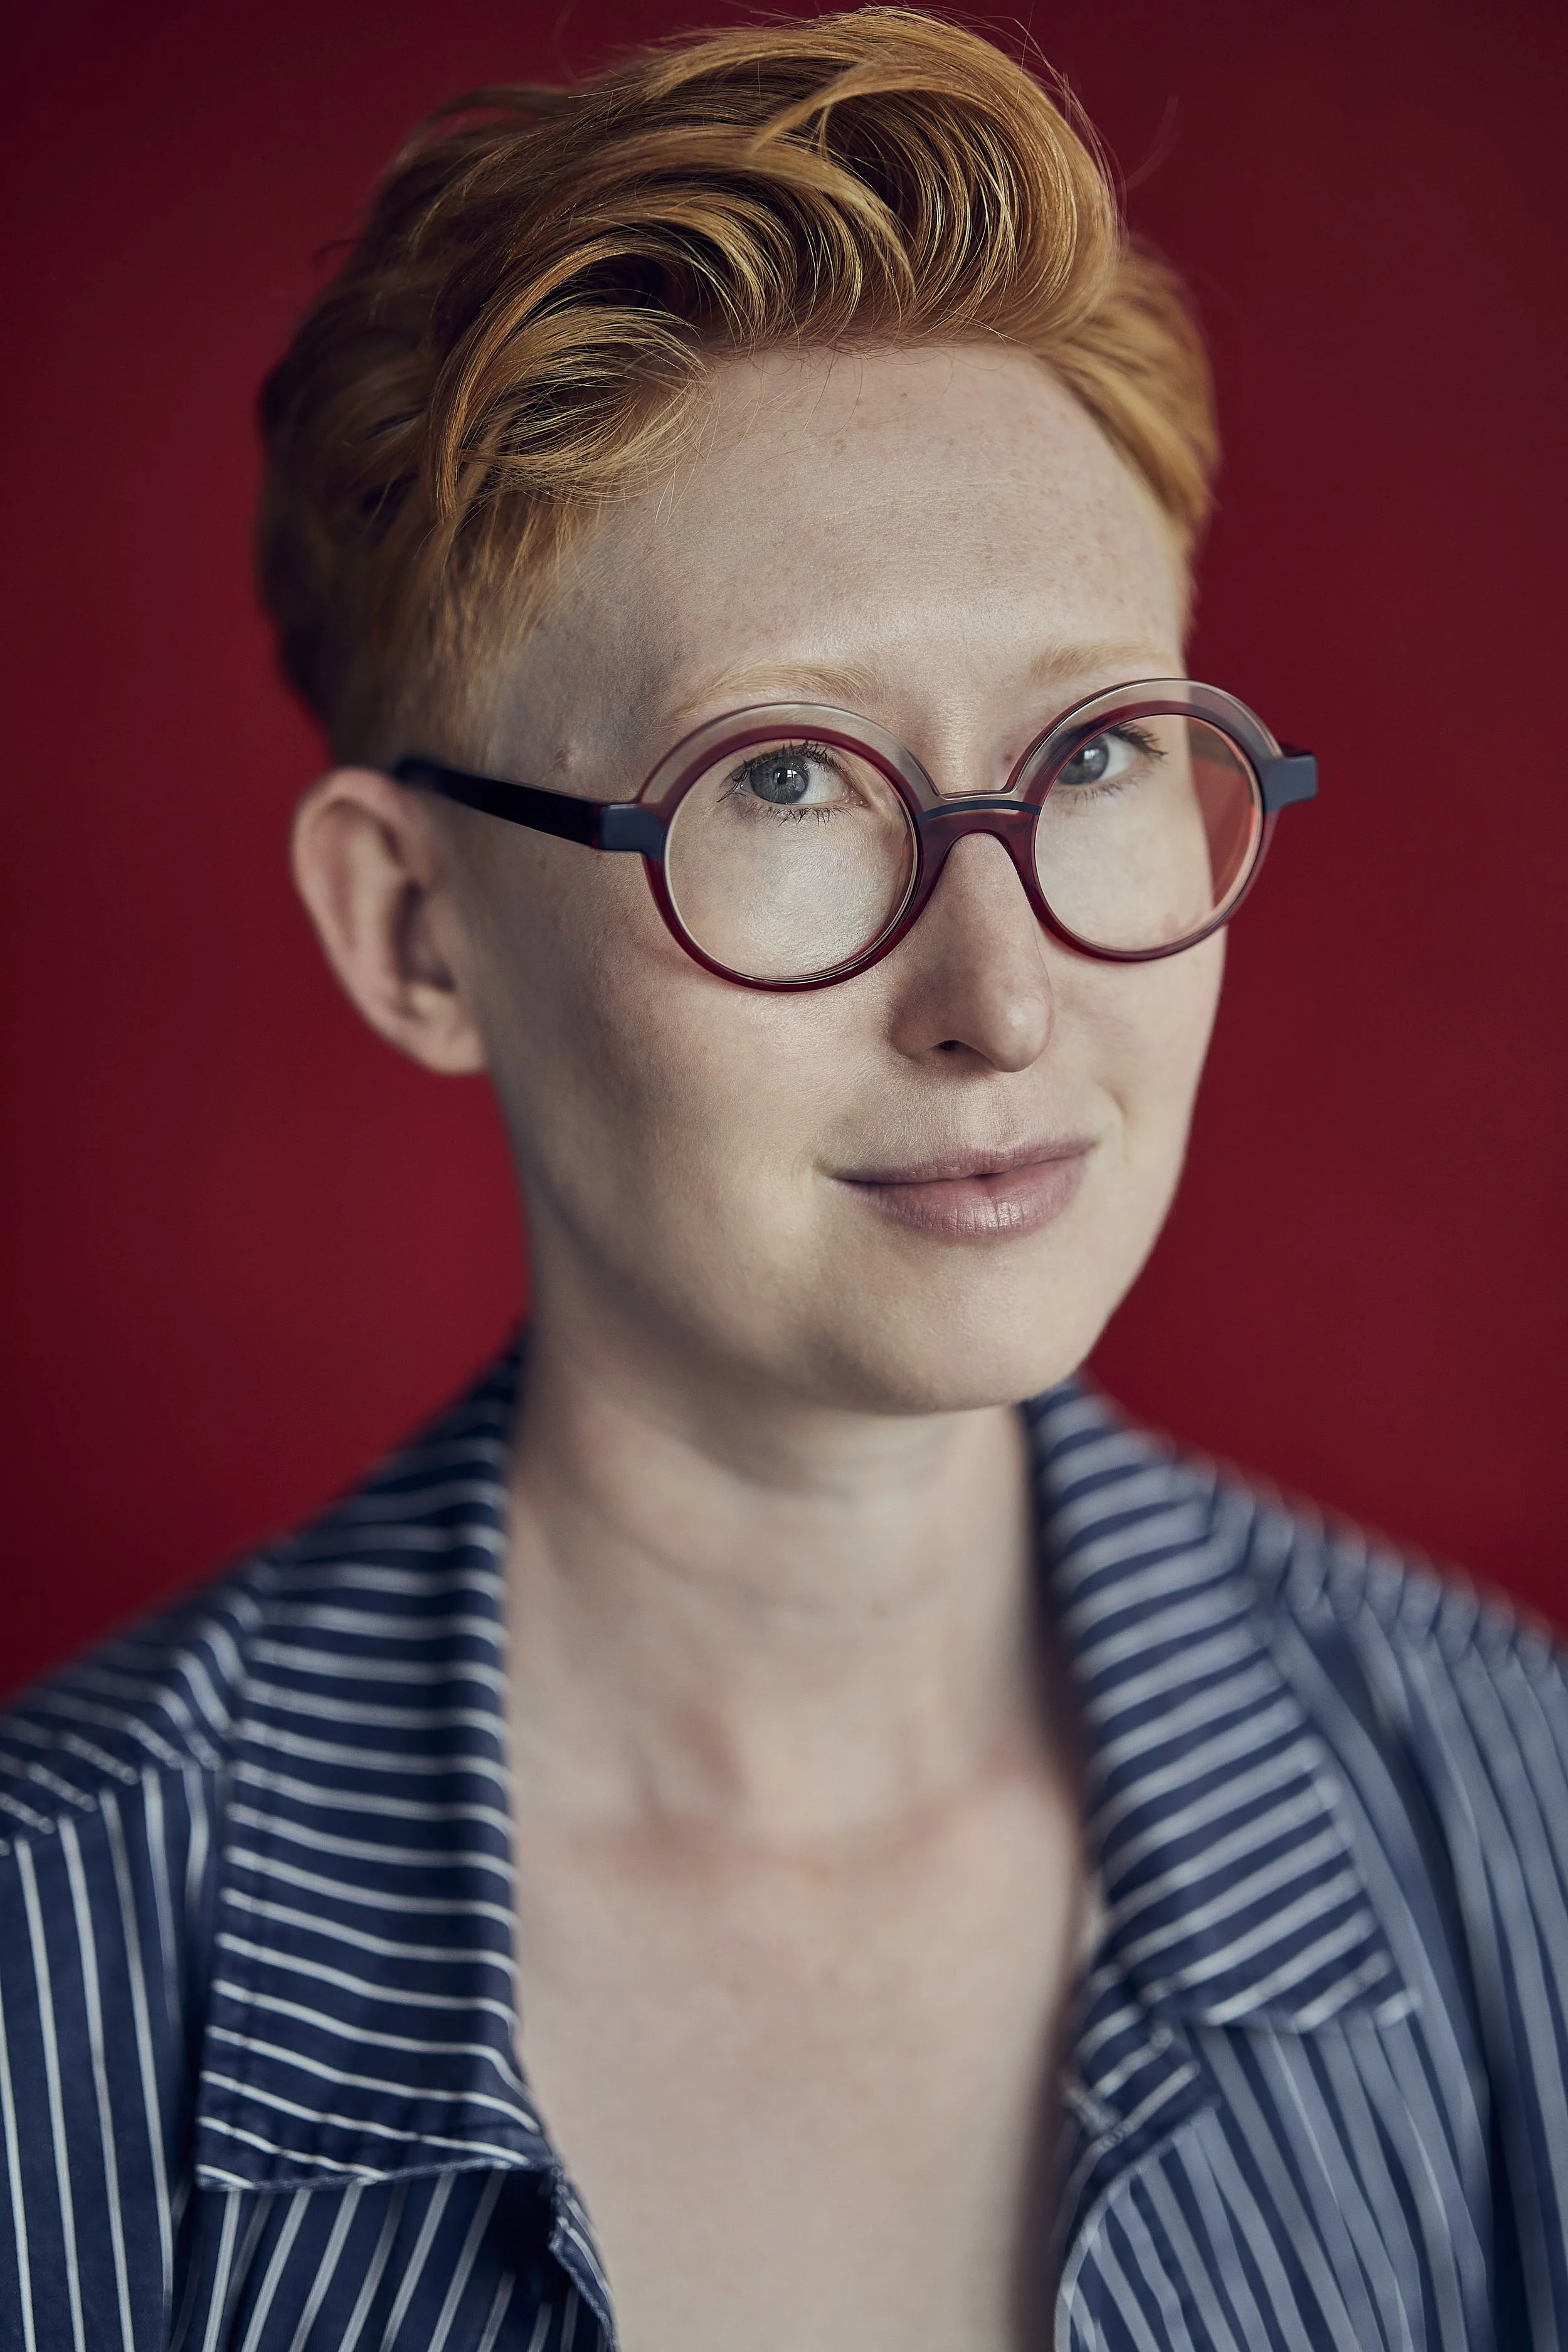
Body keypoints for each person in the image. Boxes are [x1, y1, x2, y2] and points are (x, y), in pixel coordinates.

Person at [0, 10, 1562, 2348]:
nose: (1003, 995)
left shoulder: (1519, 1821)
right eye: (784, 786)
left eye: (1100, 748)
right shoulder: (50, 1959)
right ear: (414, 929)